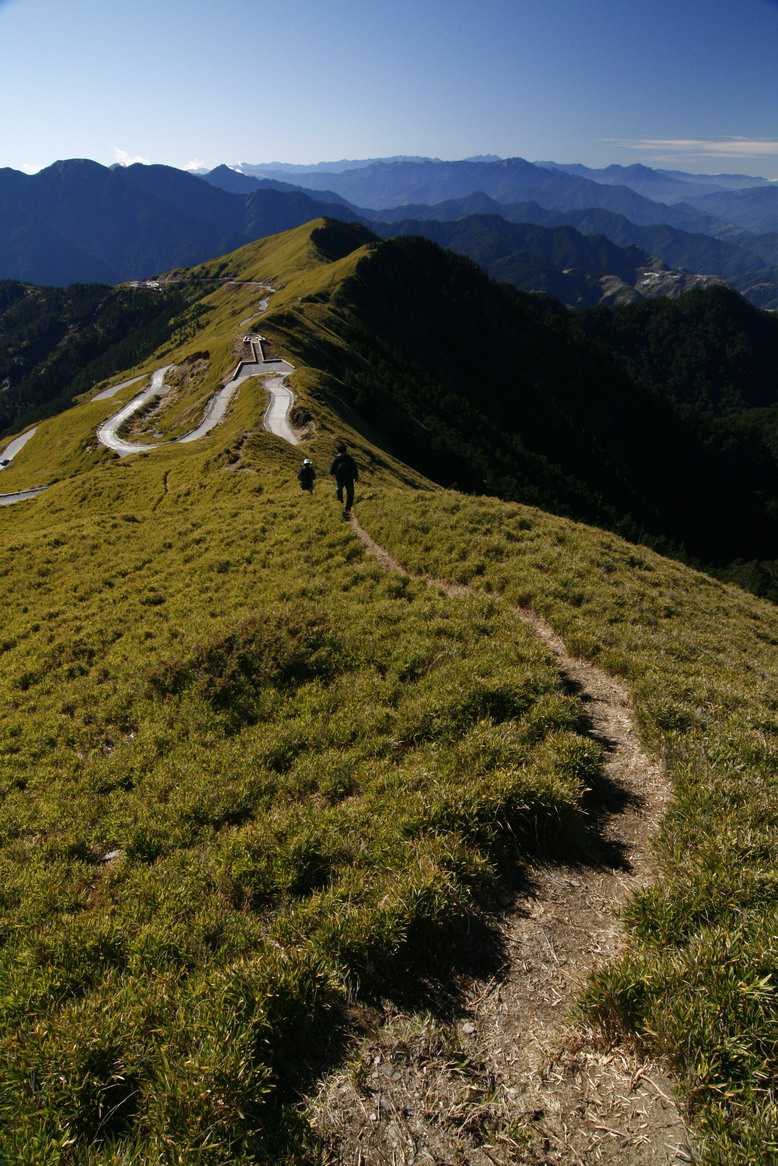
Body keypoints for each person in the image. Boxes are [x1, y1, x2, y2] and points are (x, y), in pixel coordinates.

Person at [329, 442, 359, 514]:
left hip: (339, 478)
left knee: (339, 490)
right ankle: (348, 506)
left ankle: (340, 503)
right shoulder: (349, 458)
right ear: (345, 450)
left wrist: (334, 473)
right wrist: (356, 477)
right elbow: (354, 468)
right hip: (349, 478)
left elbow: (331, 470)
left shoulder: (336, 458)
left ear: (338, 451)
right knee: (350, 492)